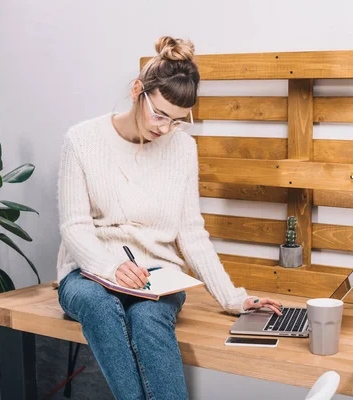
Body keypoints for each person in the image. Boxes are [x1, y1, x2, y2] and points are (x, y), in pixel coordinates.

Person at [55, 36, 282, 400]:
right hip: (87, 274)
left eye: (177, 121)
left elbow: (191, 234)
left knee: (148, 319)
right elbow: (74, 227)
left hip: (156, 278)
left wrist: (232, 298)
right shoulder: (82, 140)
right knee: (99, 304)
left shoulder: (182, 149)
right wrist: (110, 268)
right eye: (159, 114)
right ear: (136, 91)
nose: (164, 128)